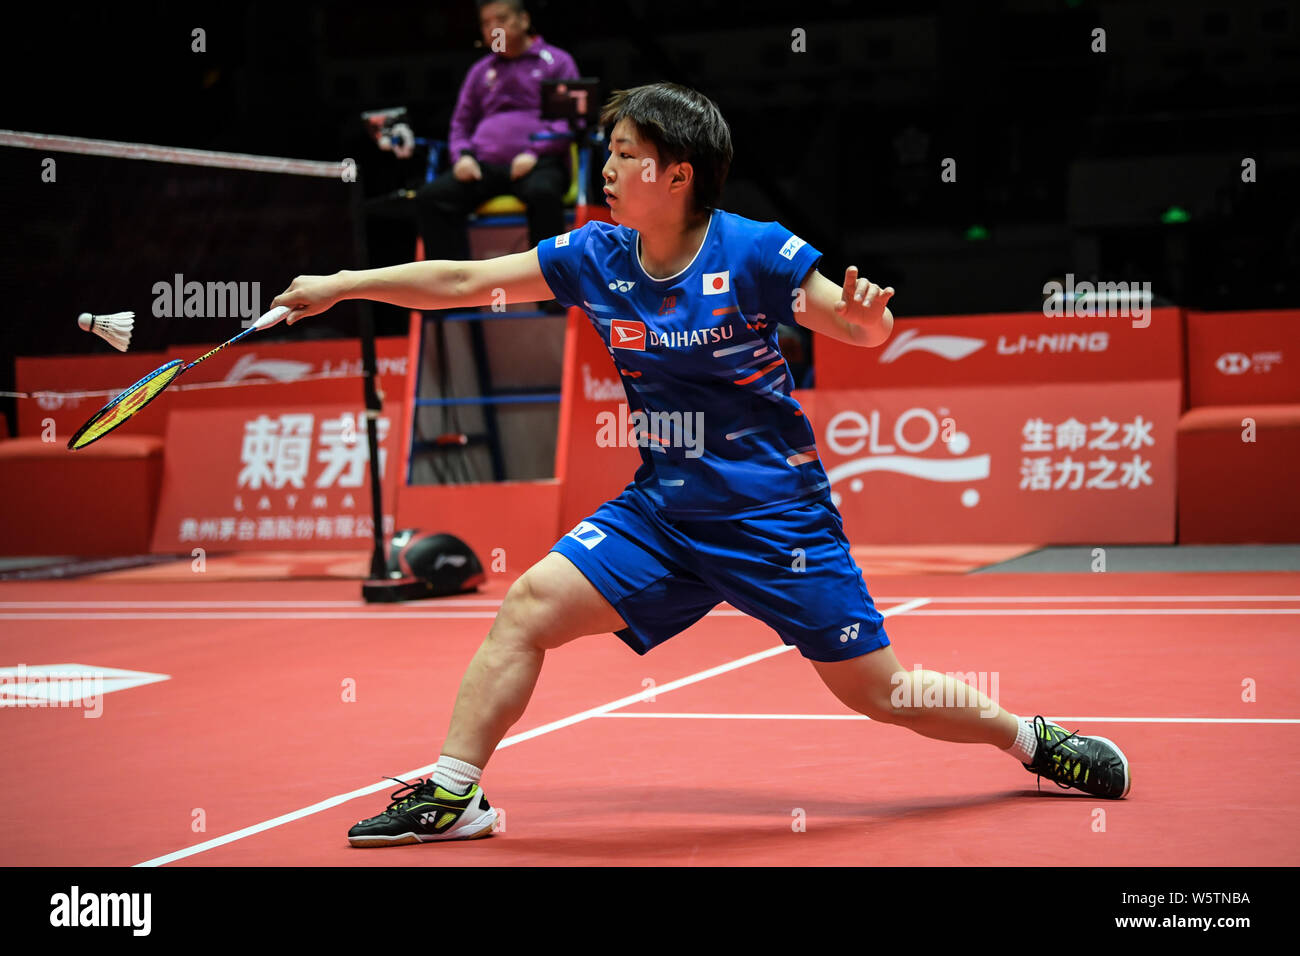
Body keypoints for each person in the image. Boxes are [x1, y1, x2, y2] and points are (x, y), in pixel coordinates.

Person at [272, 82, 1132, 847]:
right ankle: (456, 794)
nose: (604, 171)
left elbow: (854, 326)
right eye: (607, 153)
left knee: (884, 692)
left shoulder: (753, 250)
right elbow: (463, 282)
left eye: (624, 156)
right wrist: (345, 282)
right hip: (664, 512)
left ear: (677, 175)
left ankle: (1034, 742)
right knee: (529, 605)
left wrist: (869, 318)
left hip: (775, 517)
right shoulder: (595, 256)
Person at [415, 0, 579, 264]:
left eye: (500, 20)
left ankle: (550, 290)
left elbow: (567, 123)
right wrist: (462, 158)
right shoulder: (480, 72)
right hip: (484, 167)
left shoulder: (557, 62)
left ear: (524, 20)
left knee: (543, 193)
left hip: (537, 164)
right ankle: (451, 293)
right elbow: (460, 125)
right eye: (486, 23)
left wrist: (535, 154)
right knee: (431, 198)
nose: (493, 29)